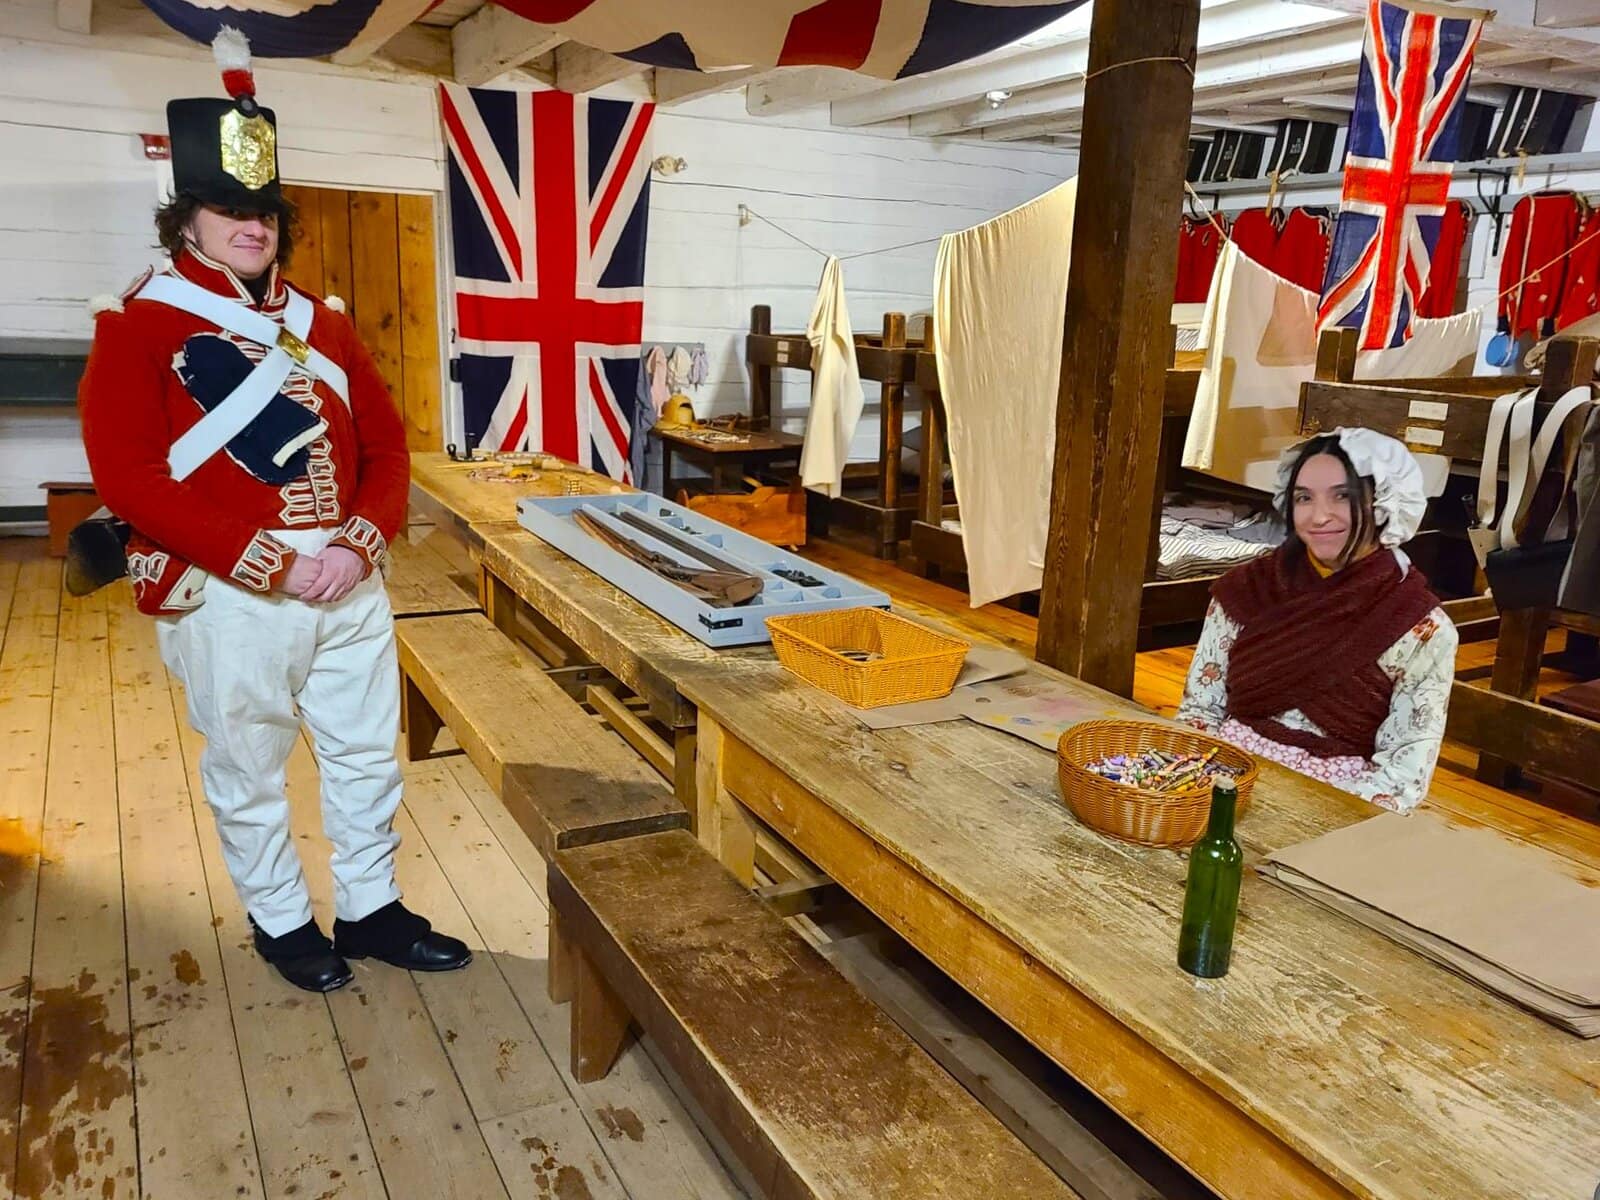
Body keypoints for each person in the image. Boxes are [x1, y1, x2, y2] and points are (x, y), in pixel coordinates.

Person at [77, 29, 469, 992]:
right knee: (250, 765)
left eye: (264, 211)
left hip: (347, 573)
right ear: (188, 222)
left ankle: (371, 909)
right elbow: (129, 478)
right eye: (228, 207)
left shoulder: (321, 323)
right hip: (232, 585)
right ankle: (283, 920)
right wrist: (272, 561)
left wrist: (359, 541)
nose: (251, 225)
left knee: (365, 754)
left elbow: (386, 445)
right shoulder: (139, 323)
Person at [1176, 428, 1458, 813]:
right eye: (1304, 498)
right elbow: (1200, 713)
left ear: (1384, 502)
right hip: (1223, 783)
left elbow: (1401, 779)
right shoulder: (1245, 591)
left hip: (1337, 806)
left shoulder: (1420, 629)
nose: (1319, 516)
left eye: (1342, 496)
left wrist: (1310, 820)